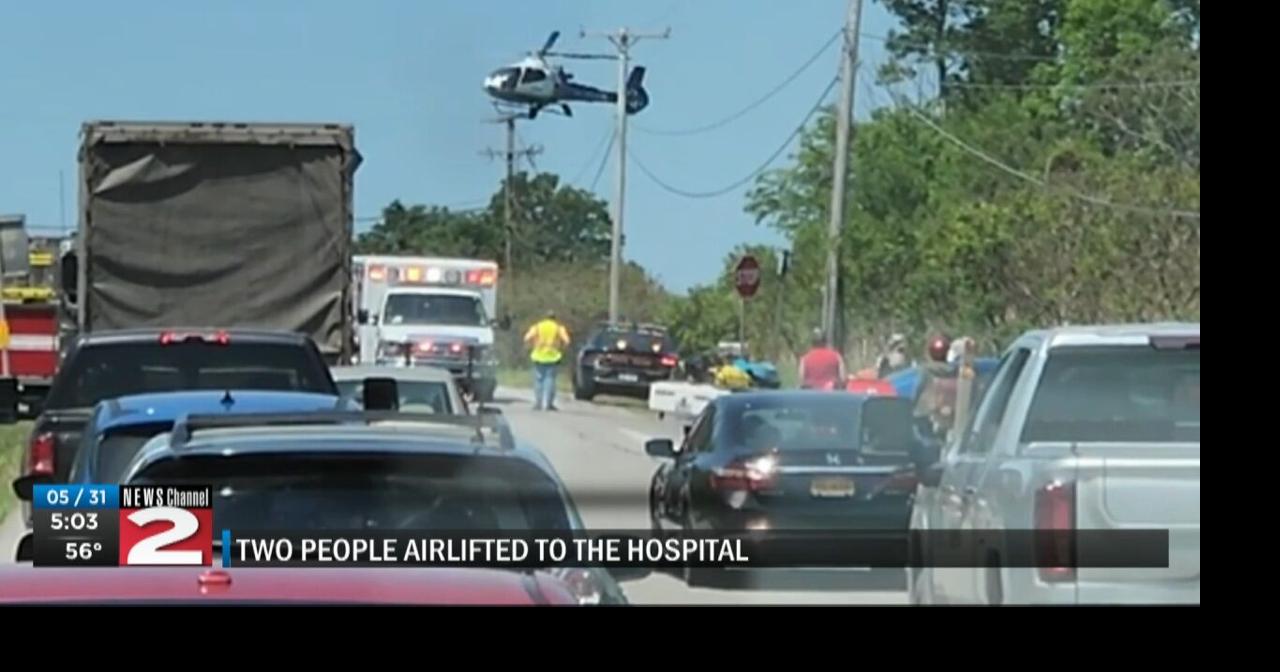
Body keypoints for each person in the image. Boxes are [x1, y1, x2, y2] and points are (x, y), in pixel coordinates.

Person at [523, 310, 571, 411]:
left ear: (544, 317)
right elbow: (567, 341)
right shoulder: (558, 328)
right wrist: (561, 348)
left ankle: (538, 403)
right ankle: (549, 404)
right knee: (550, 380)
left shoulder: (537, 326)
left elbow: (527, 338)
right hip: (553, 357)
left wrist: (531, 346)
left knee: (538, 380)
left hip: (538, 356)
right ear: (554, 318)